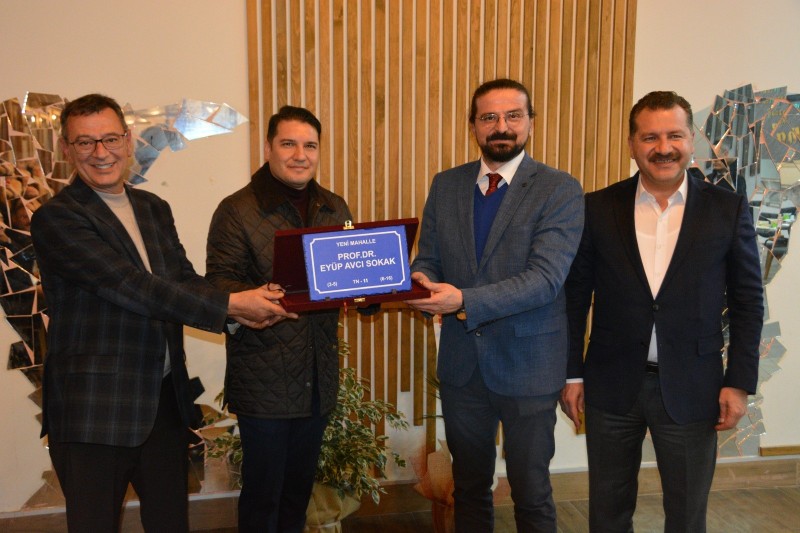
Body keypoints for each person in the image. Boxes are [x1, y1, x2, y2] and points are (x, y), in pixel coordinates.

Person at [29, 93, 293, 533]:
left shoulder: (153, 208)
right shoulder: (57, 218)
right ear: (66, 149)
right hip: (95, 411)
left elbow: (183, 281)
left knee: (171, 522)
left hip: (163, 403)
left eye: (110, 139)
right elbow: (130, 286)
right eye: (85, 142)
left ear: (128, 139)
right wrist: (229, 304)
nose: (100, 152)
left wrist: (243, 305)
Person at [560, 91, 764, 532]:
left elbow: (748, 302)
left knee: (687, 515)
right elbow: (575, 299)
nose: (663, 148)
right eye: (650, 137)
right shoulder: (597, 207)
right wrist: (571, 374)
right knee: (607, 513)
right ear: (632, 145)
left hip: (694, 385)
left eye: (674, 135)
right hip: (611, 384)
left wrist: (739, 382)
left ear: (692, 141)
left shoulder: (727, 209)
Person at [407, 78, 584, 532]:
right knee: (468, 489)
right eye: (489, 117)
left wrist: (463, 299)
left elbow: (545, 279)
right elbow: (428, 257)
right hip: (463, 365)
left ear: (530, 123)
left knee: (531, 491)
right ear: (473, 126)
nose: (501, 126)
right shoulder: (446, 185)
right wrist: (420, 281)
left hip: (529, 366)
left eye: (513, 116)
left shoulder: (559, 189)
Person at [205, 105, 353, 533]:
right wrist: (252, 298)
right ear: (268, 147)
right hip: (264, 382)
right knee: (263, 500)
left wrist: (374, 291)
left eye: (310, 146)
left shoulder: (335, 206)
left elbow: (351, 273)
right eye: (288, 144)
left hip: (317, 381)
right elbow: (219, 286)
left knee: (297, 496)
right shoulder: (236, 209)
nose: (300, 155)